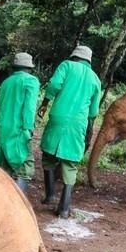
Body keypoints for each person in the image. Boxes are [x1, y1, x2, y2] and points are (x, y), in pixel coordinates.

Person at [38, 45, 102, 217]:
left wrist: (44, 104)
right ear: (88, 60)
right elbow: (94, 111)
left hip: (59, 116)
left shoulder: (66, 66)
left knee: (48, 154)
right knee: (70, 162)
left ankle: (50, 195)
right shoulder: (95, 79)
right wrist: (88, 128)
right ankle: (64, 208)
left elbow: (53, 85)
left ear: (74, 56)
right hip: (79, 122)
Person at [0, 52, 40, 192]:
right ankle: (19, 203)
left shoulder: (6, 82)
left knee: (5, 167)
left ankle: (2, 201)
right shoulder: (31, 81)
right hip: (19, 129)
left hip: (3, 129)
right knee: (25, 166)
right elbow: (29, 108)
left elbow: (0, 105)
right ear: (29, 67)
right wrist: (28, 129)